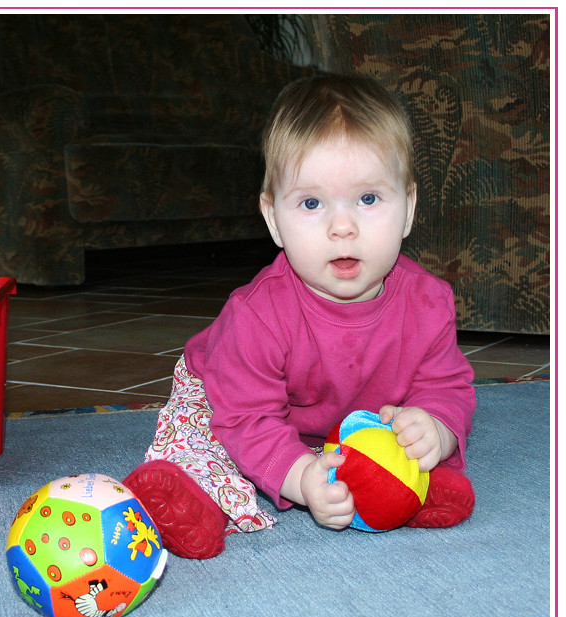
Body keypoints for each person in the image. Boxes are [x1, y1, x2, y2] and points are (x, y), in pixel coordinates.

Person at [124, 74, 477, 559]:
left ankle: (406, 488)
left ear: (409, 208)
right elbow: (248, 419)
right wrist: (302, 477)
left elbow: (447, 384)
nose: (343, 227)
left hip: (340, 422)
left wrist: (433, 426)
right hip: (229, 396)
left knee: (409, 444)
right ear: (273, 219)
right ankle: (193, 498)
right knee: (209, 444)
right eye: (311, 203)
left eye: (369, 199)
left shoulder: (429, 302)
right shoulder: (257, 315)